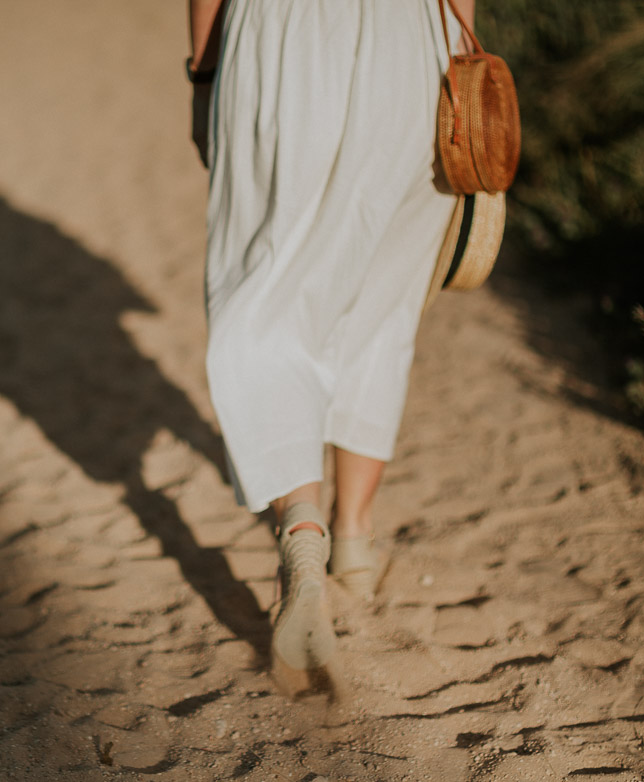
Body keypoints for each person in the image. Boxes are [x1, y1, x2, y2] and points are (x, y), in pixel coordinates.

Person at [187, 0, 471, 670]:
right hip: (412, 44)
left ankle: (301, 532)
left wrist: (203, 74)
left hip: (279, 40)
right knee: (383, 293)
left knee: (266, 290)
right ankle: (354, 542)